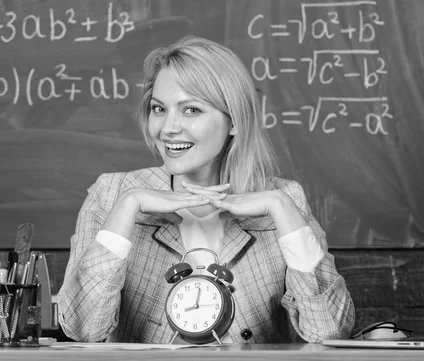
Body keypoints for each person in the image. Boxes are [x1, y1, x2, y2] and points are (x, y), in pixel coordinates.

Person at [56, 35, 355, 344]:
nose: (168, 127)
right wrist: (128, 205)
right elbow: (83, 329)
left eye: (192, 110)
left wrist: (281, 208)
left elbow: (328, 332)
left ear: (235, 121)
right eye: (159, 109)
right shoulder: (112, 194)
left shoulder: (285, 200)